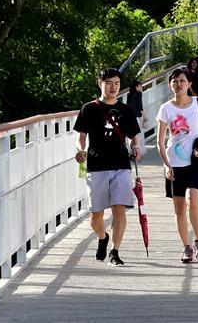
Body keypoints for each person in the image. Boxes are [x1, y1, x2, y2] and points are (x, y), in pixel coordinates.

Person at [74, 68, 142, 266]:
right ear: (100, 83)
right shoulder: (89, 108)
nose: (114, 87)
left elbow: (133, 135)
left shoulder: (126, 110)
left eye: (117, 83)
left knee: (119, 208)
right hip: (96, 166)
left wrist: (136, 146)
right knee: (96, 217)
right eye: (109, 83)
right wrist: (80, 149)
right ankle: (103, 237)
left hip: (121, 164)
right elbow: (81, 135)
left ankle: (115, 250)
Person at [157, 68, 198, 263]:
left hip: (195, 160)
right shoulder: (166, 108)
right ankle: (186, 247)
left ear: (189, 84)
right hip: (175, 162)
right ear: (169, 85)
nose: (178, 85)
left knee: (193, 200)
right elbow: (160, 142)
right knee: (179, 208)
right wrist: (166, 165)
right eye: (174, 82)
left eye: (182, 81)